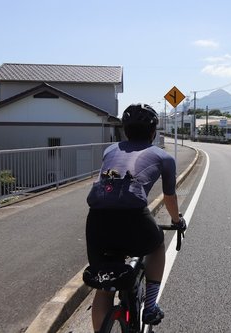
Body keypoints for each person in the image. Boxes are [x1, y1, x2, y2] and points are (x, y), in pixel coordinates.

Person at [85, 103, 186, 332]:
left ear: (125, 131)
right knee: (157, 244)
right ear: (153, 132)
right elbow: (170, 197)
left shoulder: (109, 151)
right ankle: (150, 306)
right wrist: (177, 221)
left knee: (104, 286)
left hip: (97, 222)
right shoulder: (163, 157)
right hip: (134, 220)